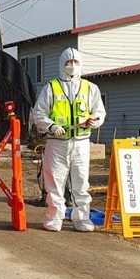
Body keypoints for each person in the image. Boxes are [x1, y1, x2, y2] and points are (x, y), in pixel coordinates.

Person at [32, 48, 106, 232]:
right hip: (57, 142)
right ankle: (54, 217)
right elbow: (39, 113)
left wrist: (94, 122)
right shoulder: (51, 87)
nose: (72, 66)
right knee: (55, 182)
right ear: (61, 65)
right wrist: (50, 126)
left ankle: (81, 218)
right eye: (68, 62)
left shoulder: (90, 88)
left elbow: (99, 112)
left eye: (75, 62)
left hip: (81, 142)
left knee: (81, 182)